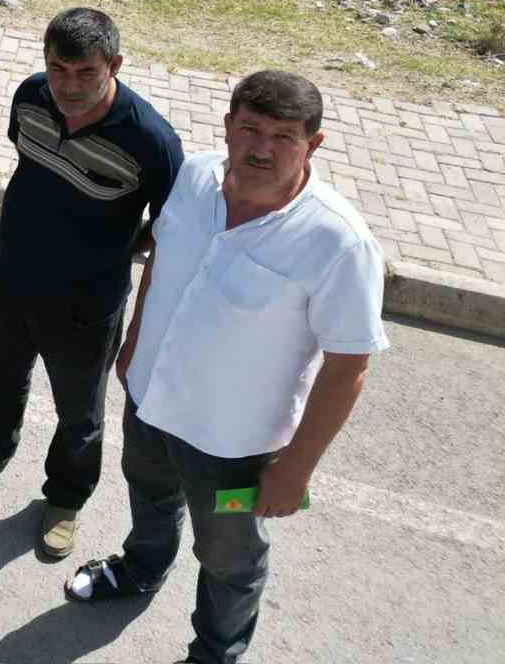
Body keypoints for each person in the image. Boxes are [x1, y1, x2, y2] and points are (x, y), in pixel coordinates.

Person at [65, 70, 389, 664]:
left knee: (230, 558)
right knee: (150, 495)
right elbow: (160, 259)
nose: (262, 148)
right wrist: (134, 344)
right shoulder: (193, 178)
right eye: (250, 128)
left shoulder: (339, 243)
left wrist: (295, 469)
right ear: (228, 126)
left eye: (284, 136)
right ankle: (140, 568)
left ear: (312, 145)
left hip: (234, 446)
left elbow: (349, 365)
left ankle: (215, 653)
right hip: (150, 401)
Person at [0, 8, 184, 561]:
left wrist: (125, 249)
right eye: (57, 69)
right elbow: (29, 160)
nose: (68, 86)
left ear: (114, 65)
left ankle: (66, 497)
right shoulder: (31, 97)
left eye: (86, 73)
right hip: (9, 277)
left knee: (79, 414)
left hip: (85, 304)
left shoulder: (151, 139)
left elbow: (171, 231)